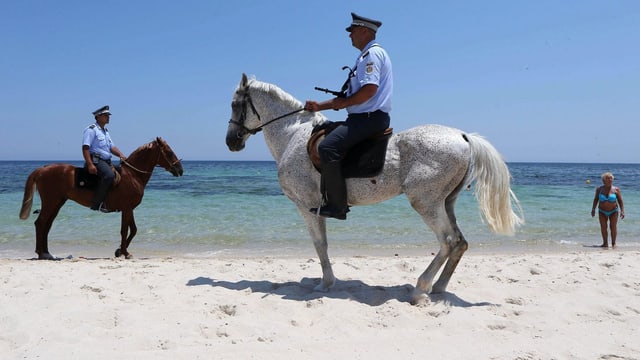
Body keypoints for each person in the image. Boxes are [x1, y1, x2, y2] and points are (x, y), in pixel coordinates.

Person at [304, 12, 393, 220]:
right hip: (364, 117)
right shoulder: (366, 56)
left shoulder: (371, 55)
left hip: (369, 118)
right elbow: (348, 97)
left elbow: (369, 90)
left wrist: (344, 103)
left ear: (364, 31)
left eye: (352, 31)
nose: (349, 35)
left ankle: (337, 206)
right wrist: (319, 106)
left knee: (327, 147)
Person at [82, 105, 127, 212]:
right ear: (98, 116)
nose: (108, 117)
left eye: (108, 115)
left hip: (106, 161)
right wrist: (90, 164)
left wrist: (121, 155)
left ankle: (116, 199)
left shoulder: (105, 131)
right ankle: (98, 203)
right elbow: (85, 147)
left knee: (123, 171)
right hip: (95, 160)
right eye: (106, 115)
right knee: (109, 175)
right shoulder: (91, 130)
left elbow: (112, 147)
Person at [591, 172, 625, 247]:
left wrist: (622, 211)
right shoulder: (599, 189)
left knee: (613, 227)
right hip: (602, 211)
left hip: (613, 211)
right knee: (603, 227)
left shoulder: (616, 189)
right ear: (604, 180)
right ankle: (605, 243)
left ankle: (613, 243)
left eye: (611, 178)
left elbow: (620, 201)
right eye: (608, 178)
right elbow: (596, 199)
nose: (610, 180)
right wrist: (593, 209)